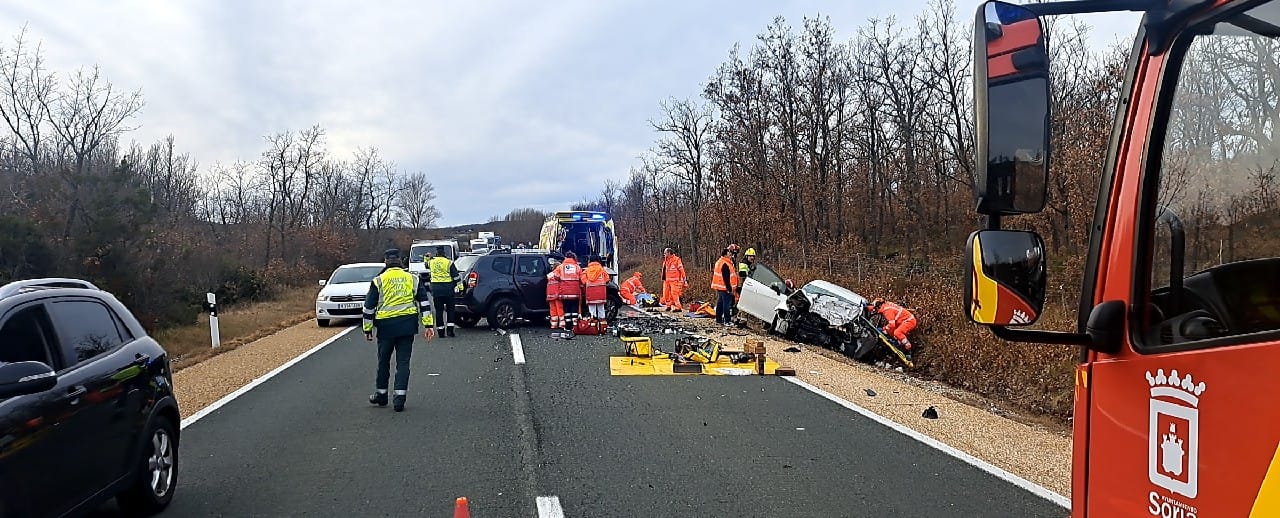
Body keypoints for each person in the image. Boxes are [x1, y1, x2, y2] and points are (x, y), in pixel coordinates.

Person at [363, 248, 435, 412]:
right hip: (407, 326)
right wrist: (428, 325)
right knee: (403, 363)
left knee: (383, 361)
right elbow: (424, 303)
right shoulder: (413, 279)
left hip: (385, 327)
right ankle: (399, 399)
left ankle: (381, 395)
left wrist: (367, 329)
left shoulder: (378, 280)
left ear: (386, 261)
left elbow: (368, 308)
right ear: (400, 261)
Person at [427, 246, 461, 338]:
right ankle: (450, 331)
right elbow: (456, 276)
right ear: (444, 253)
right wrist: (460, 286)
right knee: (450, 310)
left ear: (436, 253)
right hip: (448, 290)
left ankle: (441, 332)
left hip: (436, 290)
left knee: (439, 311)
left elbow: (426, 264)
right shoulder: (449, 262)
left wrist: (427, 257)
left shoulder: (432, 262)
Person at [550, 251, 583, 335]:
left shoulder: (560, 267)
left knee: (567, 310)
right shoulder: (577, 267)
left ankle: (568, 326)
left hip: (564, 292)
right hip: (575, 292)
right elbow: (581, 278)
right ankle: (575, 326)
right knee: (574, 310)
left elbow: (556, 276)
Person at [711, 244, 741, 327]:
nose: (731, 254)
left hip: (721, 287)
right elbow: (726, 278)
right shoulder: (725, 263)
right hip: (725, 287)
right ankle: (727, 320)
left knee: (720, 303)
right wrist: (729, 288)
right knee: (726, 305)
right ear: (726, 253)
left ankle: (719, 319)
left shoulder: (722, 261)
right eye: (730, 253)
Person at [582, 256, 609, 328]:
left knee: (592, 309)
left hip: (590, 292)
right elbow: (607, 279)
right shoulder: (602, 270)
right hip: (601, 292)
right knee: (601, 308)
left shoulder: (586, 270)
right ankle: (602, 326)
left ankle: (593, 326)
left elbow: (583, 281)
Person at [660, 248, 688, 312]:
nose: (664, 254)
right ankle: (668, 306)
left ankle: (678, 307)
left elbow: (682, 270)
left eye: (665, 253)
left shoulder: (677, 260)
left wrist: (684, 279)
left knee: (674, 294)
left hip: (675, 281)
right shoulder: (666, 260)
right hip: (667, 280)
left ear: (669, 253)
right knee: (666, 294)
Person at [546, 256, 563, 329]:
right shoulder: (559, 274)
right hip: (557, 294)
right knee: (560, 308)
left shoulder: (549, 275)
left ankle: (554, 324)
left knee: (552, 309)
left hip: (550, 294)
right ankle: (562, 323)